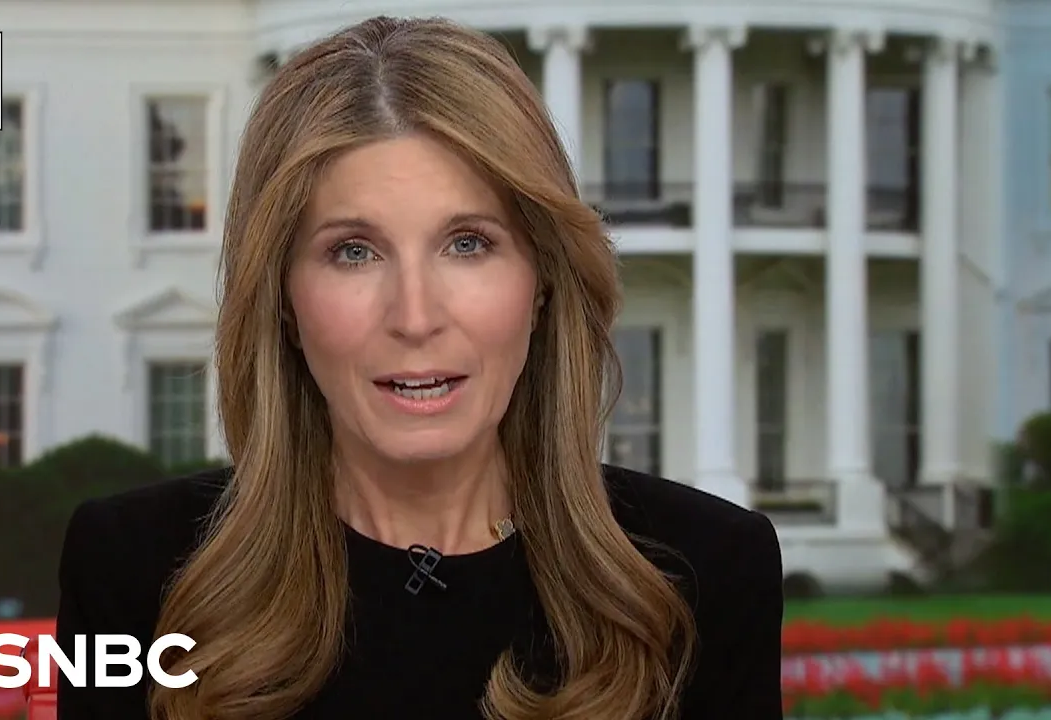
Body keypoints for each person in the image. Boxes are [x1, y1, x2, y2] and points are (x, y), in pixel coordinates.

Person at [55, 15, 784, 720]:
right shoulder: (134, 570)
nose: (414, 315)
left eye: (467, 243)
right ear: (283, 300)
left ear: (542, 285)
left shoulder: (706, 572)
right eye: (353, 251)